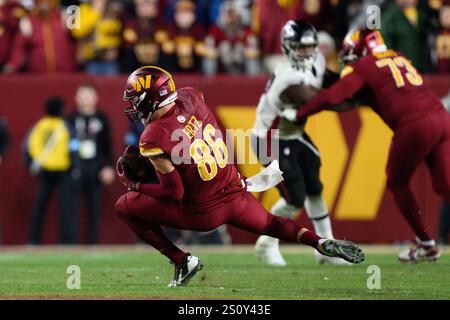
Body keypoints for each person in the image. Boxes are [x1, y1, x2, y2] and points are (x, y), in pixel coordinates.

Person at [115, 66, 364, 288]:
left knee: (125, 206)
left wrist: (136, 184)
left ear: (149, 99)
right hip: (235, 194)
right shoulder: (190, 95)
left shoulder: (153, 136)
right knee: (271, 223)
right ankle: (320, 242)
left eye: (137, 100)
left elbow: (173, 193)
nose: (134, 106)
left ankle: (182, 261)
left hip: (203, 212)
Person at [282, 28, 450, 263]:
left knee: (397, 182)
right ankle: (427, 245)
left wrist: (299, 114)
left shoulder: (365, 66)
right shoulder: (398, 56)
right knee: (445, 185)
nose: (350, 61)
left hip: (414, 125)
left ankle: (426, 244)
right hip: (442, 118)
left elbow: (333, 97)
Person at [252, 20, 347, 267]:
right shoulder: (287, 76)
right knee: (294, 198)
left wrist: (351, 78)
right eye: (301, 48)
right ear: (287, 47)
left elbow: (329, 81)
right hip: (269, 139)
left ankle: (327, 248)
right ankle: (266, 243)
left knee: (315, 187)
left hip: (293, 135)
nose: (307, 52)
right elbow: (329, 101)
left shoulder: (317, 60)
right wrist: (362, 92)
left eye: (310, 47)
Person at [66, 83, 115, 244]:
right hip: (74, 168)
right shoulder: (70, 119)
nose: (86, 99)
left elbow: (108, 146)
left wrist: (108, 167)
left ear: (96, 98)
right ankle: (70, 245)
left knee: (94, 209)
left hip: (95, 168)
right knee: (71, 208)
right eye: (82, 95)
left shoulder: (102, 119)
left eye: (89, 95)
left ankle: (92, 244)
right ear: (76, 98)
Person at [27, 97, 74, 244]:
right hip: (62, 170)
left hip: (45, 171)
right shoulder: (64, 126)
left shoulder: (40, 126)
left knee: (40, 208)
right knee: (65, 209)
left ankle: (33, 241)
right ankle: (65, 242)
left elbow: (32, 146)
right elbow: (72, 147)